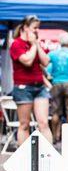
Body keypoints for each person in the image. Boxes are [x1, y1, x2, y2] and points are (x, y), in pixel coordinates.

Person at [9, 15, 52, 144]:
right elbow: (27, 61)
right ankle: (24, 157)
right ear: (25, 28)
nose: (36, 31)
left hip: (40, 87)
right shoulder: (16, 44)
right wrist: (34, 45)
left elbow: (46, 61)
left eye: (38, 28)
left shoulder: (35, 44)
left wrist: (36, 45)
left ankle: (48, 156)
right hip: (23, 88)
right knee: (24, 124)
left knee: (43, 123)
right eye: (34, 28)